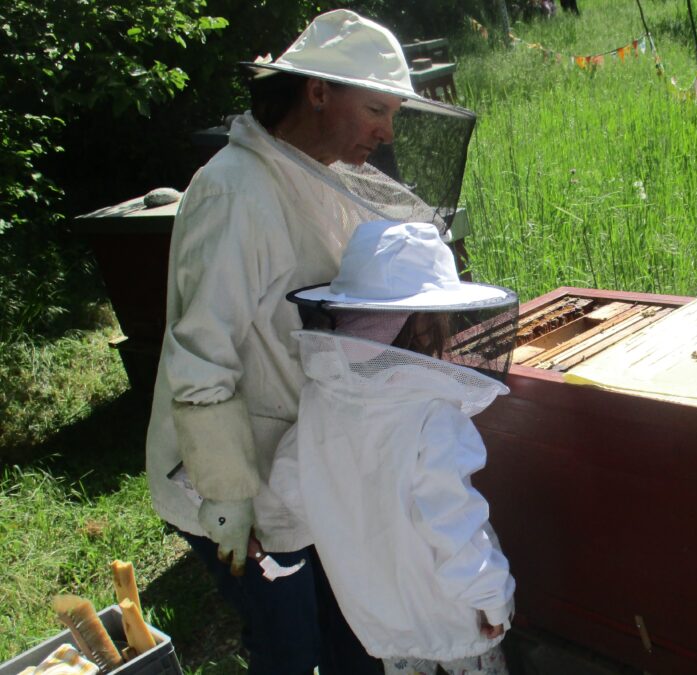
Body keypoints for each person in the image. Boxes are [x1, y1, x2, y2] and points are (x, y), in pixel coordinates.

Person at [144, 9, 472, 674]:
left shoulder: (323, 177)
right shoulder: (236, 192)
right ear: (318, 91)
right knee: (289, 649)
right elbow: (201, 353)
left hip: (304, 461)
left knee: (350, 635)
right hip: (239, 483)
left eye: (394, 116)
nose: (385, 132)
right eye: (376, 109)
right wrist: (227, 490)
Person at [261, 220, 518, 675]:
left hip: (377, 621)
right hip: (455, 619)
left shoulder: (320, 399)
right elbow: (454, 523)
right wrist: (492, 597)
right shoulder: (431, 415)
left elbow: (290, 485)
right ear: (423, 327)